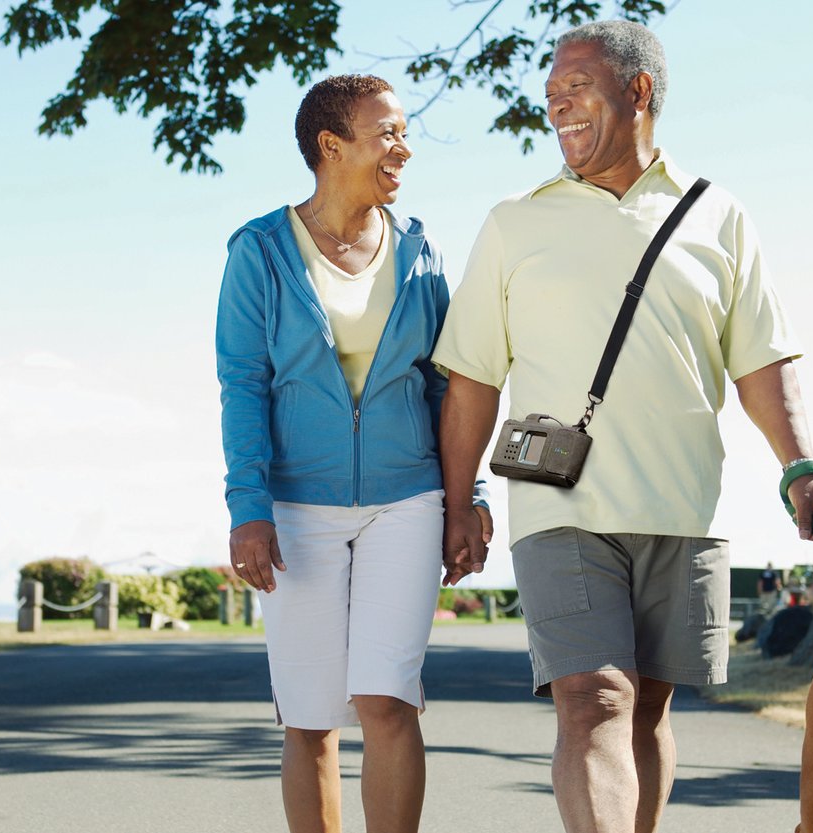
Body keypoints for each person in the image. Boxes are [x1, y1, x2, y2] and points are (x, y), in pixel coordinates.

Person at [430, 21, 813, 833]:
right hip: (561, 507)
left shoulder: (717, 216)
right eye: (551, 91)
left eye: (575, 86)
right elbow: (473, 378)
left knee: (648, 708)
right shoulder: (515, 222)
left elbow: (762, 362)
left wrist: (802, 466)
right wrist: (458, 503)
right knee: (593, 698)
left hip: (685, 507)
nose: (556, 103)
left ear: (638, 92)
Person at [216, 73, 488, 833]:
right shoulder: (260, 252)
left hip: (407, 499)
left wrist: (469, 499)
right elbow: (243, 387)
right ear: (330, 146)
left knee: (388, 696)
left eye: (404, 132)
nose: (403, 147)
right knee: (309, 716)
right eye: (387, 133)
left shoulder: (420, 249)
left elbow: (449, 387)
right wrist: (249, 508)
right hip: (298, 507)